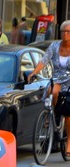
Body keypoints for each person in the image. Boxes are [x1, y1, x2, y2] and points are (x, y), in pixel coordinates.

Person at [29, 20, 70, 156]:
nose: (66, 34)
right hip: (57, 78)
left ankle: (69, 140)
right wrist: (34, 72)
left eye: (69, 32)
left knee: (68, 114)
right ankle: (49, 115)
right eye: (64, 31)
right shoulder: (54, 46)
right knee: (49, 91)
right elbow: (44, 60)